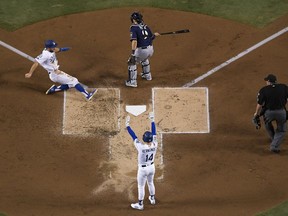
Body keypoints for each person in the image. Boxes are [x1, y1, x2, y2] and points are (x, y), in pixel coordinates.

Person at [25, 39, 97, 101]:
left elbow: (55, 50)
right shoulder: (45, 55)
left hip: (57, 72)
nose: (54, 47)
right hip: (55, 74)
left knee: (70, 84)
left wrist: (62, 49)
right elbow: (36, 63)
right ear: (48, 48)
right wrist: (30, 73)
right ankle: (87, 95)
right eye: (53, 47)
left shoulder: (50, 50)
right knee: (74, 81)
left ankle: (54, 89)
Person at [125, 112, 157, 210]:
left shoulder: (141, 147)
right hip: (152, 167)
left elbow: (133, 136)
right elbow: (154, 132)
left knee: (141, 186)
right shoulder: (155, 144)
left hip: (143, 170)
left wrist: (127, 125)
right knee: (151, 183)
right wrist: (152, 120)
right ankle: (152, 199)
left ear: (144, 139)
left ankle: (140, 204)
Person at [253, 74, 288, 153]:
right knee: (281, 130)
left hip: (268, 113)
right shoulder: (284, 87)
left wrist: (256, 113)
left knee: (267, 124)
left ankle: (273, 139)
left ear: (269, 81)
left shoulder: (263, 90)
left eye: (266, 81)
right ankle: (274, 144)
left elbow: (260, 104)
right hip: (281, 112)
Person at [125, 12, 160, 88]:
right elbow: (151, 37)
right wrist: (155, 35)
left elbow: (134, 41)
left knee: (132, 62)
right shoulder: (146, 26)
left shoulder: (133, 27)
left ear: (134, 19)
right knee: (144, 59)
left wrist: (133, 53)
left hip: (142, 51)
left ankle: (132, 82)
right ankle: (147, 76)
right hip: (150, 50)